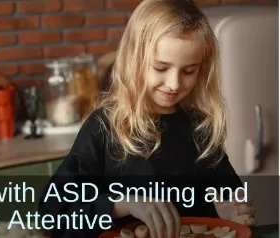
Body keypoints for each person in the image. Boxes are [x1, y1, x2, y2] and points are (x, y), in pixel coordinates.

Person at [38, 0, 256, 237]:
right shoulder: (103, 127)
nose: (174, 84)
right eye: (161, 68)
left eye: (188, 71)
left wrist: (230, 214)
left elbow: (229, 209)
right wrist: (119, 204)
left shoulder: (201, 130)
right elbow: (53, 214)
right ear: (134, 59)